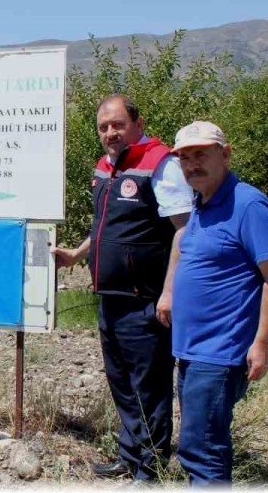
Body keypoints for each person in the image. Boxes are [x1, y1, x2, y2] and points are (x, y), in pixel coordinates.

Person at [53, 95, 192, 481]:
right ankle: (129, 456)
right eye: (103, 127)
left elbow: (184, 231)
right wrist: (77, 254)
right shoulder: (106, 167)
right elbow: (104, 226)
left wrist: (169, 293)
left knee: (150, 386)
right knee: (122, 383)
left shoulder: (160, 164)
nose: (110, 133)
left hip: (145, 299)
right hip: (109, 296)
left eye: (117, 124)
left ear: (137, 123)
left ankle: (150, 469)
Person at [167, 121, 268, 485]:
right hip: (191, 350)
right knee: (201, 445)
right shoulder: (201, 203)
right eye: (185, 158)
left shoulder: (248, 205)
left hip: (220, 352)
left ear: (226, 154)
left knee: (201, 449)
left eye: (201, 155)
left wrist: (262, 343)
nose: (192, 165)